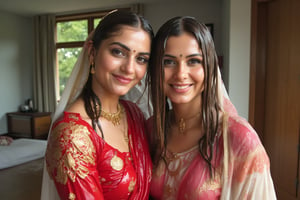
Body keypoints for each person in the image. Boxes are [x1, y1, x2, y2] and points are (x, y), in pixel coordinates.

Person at [147, 16, 277, 199]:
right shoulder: (152, 129)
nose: (181, 74)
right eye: (168, 62)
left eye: (193, 61)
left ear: (209, 68)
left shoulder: (238, 139)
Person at [41, 10, 154, 200]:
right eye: (118, 52)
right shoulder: (72, 136)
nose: (129, 68)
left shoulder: (133, 113)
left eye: (141, 59)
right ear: (93, 53)